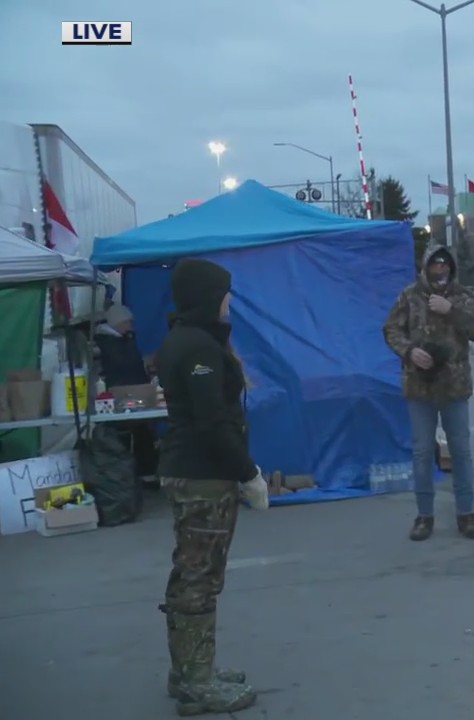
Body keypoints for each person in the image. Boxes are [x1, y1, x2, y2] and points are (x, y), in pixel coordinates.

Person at [154, 258, 269, 715]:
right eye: (225, 292)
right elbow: (211, 424)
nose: (229, 301)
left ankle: (188, 671)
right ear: (206, 295)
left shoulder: (185, 340)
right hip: (202, 476)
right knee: (200, 579)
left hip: (191, 471)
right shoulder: (199, 348)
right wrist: (248, 473)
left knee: (190, 574)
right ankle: (197, 683)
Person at [383, 244, 474, 542]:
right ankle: (424, 516)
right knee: (421, 453)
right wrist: (409, 351)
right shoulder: (409, 296)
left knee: (461, 452)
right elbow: (391, 329)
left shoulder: (462, 296)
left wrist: (452, 311)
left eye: (445, 265)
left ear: (451, 268)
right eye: (435, 264)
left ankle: (466, 515)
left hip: (454, 387)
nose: (440, 270)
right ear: (426, 267)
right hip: (420, 386)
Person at [94, 302, 159, 479]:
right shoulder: (109, 343)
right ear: (117, 323)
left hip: (130, 393)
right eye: (128, 322)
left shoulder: (121, 340)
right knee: (135, 430)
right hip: (121, 395)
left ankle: (139, 473)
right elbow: (125, 368)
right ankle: (142, 473)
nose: (131, 326)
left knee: (140, 430)